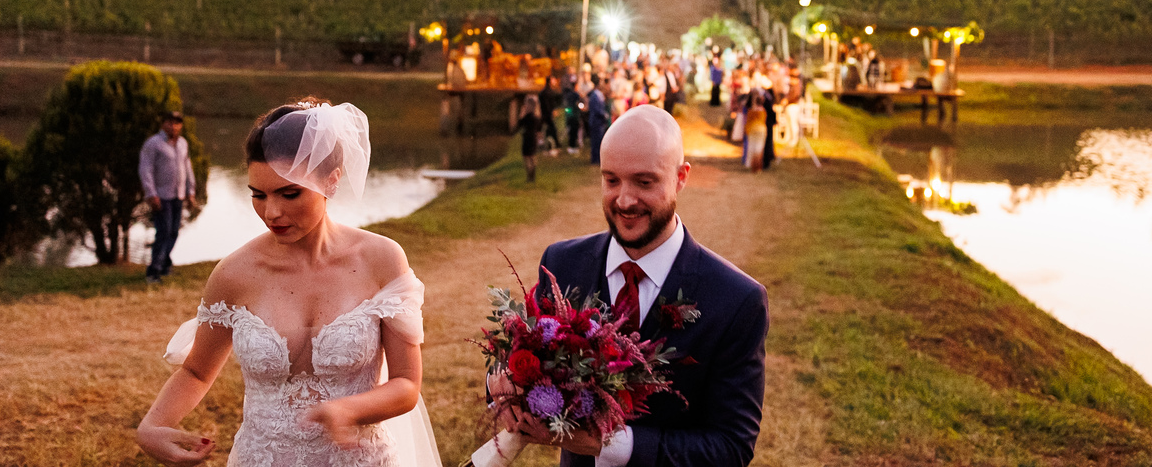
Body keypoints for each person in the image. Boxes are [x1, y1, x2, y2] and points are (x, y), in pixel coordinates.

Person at [137, 99, 441, 467]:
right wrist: (152, 426)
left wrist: (348, 409)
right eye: (258, 194)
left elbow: (406, 384)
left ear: (332, 180)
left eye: (289, 193)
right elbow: (196, 371)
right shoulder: (233, 274)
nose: (271, 212)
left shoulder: (382, 260)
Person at [489, 105, 768, 467]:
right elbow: (519, 356)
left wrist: (608, 444)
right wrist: (501, 382)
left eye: (644, 182)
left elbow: (731, 448)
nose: (624, 200)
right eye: (611, 180)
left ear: (681, 177)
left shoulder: (736, 300)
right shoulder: (562, 265)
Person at [139, 110, 197, 284]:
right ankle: (153, 271)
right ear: (163, 124)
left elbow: (187, 167)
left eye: (177, 123)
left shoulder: (183, 143)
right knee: (163, 232)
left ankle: (164, 264)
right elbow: (145, 169)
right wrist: (151, 194)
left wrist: (191, 191)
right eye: (170, 122)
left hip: (178, 195)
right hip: (161, 196)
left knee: (173, 232)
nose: (173, 126)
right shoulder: (153, 144)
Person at [586, 78, 611, 166]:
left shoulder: (599, 95)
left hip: (599, 121)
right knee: (596, 140)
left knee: (599, 140)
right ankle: (595, 158)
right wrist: (604, 115)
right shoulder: (594, 96)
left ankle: (598, 158)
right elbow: (596, 109)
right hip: (596, 121)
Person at [518, 94, 541, 182]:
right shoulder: (537, 117)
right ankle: (532, 175)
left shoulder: (527, 117)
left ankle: (529, 176)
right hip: (534, 137)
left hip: (527, 137)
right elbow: (539, 129)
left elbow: (520, 124)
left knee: (526, 156)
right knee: (532, 156)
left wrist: (522, 113)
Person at [538, 76, 562, 155]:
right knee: (552, 129)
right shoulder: (548, 92)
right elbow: (547, 104)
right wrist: (552, 112)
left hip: (545, 114)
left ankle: (548, 145)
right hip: (547, 114)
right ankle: (555, 145)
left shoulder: (545, 91)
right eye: (553, 80)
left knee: (548, 130)